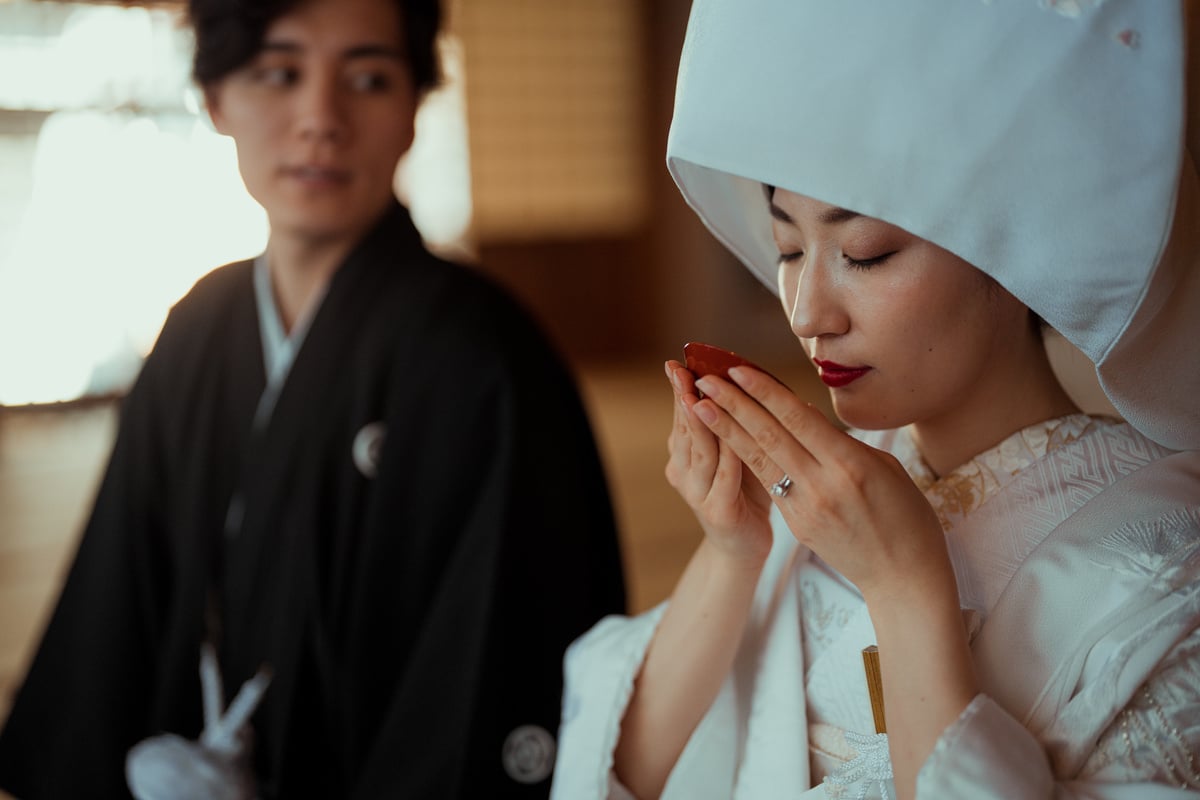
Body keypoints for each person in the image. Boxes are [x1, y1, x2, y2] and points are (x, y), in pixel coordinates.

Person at [551, 1, 1199, 799]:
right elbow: (623, 773)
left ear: (1014, 247)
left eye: (866, 252)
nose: (806, 314)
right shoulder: (825, 491)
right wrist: (733, 553)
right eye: (788, 247)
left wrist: (906, 587)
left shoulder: (1169, 559)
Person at [0, 0, 626, 796]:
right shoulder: (198, 327)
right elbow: (114, 613)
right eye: (279, 73)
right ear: (217, 98)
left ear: (412, 110)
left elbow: (496, 663)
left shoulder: (485, 356)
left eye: (368, 78)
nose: (320, 120)